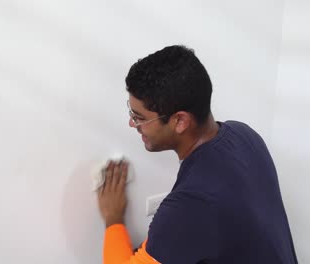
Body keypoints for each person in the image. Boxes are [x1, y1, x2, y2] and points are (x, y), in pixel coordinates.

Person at [97, 45, 298, 264]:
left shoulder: (192, 204)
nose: (132, 123)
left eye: (140, 118)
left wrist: (113, 218)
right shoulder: (244, 134)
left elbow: (195, 213)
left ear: (180, 121)